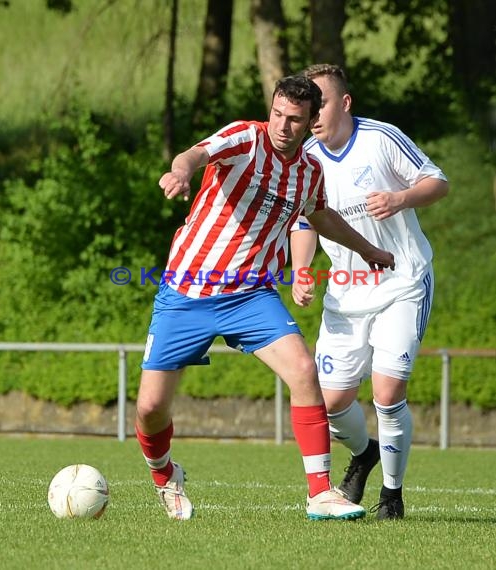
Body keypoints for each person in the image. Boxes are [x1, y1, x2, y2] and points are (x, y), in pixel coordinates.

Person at [135, 74, 395, 521]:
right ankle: (165, 475)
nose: (282, 126)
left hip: (250, 295)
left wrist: (367, 249)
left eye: (295, 119)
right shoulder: (244, 138)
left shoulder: (309, 171)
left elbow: (320, 216)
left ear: (312, 120)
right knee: (150, 408)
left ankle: (320, 493)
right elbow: (196, 154)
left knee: (302, 369)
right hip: (186, 291)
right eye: (277, 114)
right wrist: (181, 171)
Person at [290, 64, 449, 520]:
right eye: (307, 104)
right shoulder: (308, 159)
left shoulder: (381, 138)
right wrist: (302, 269)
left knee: (386, 392)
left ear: (344, 103)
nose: (312, 113)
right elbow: (303, 219)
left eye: (320, 103)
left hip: (402, 282)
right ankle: (364, 453)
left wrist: (401, 198)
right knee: (332, 402)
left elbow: (438, 181)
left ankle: (392, 496)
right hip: (346, 291)